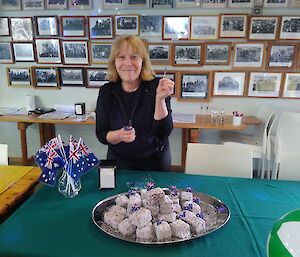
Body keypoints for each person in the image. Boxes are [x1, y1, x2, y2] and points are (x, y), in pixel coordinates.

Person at [95, 35, 174, 171]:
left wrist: (160, 99)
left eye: (134, 57)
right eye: (121, 57)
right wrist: (119, 135)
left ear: (143, 61)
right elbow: (102, 134)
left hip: (155, 163)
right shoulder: (106, 91)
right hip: (120, 163)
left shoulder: (157, 86)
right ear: (114, 62)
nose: (128, 63)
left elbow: (162, 132)